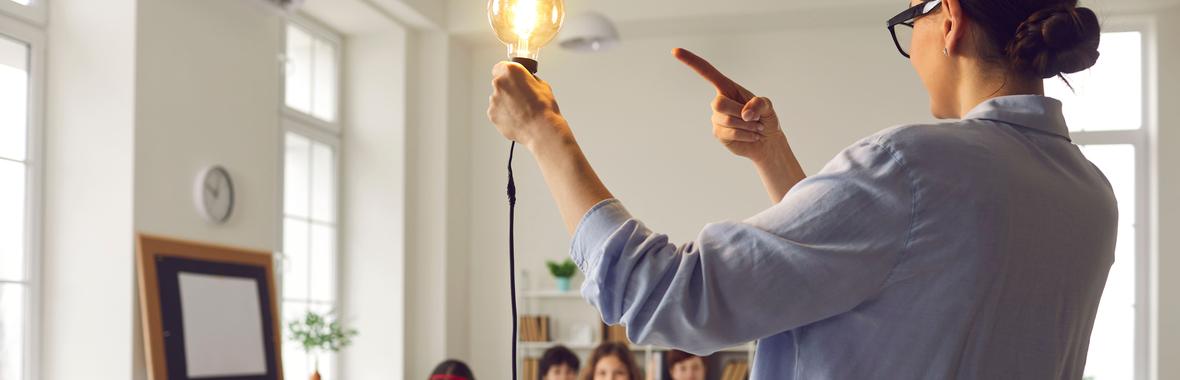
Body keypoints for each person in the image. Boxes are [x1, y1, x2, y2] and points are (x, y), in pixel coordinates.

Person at [485, 0, 1116, 377]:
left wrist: (545, 133)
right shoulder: (1090, 196)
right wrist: (770, 154)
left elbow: (663, 299)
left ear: (947, 20)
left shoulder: (914, 163)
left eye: (908, 19)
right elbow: (873, 288)